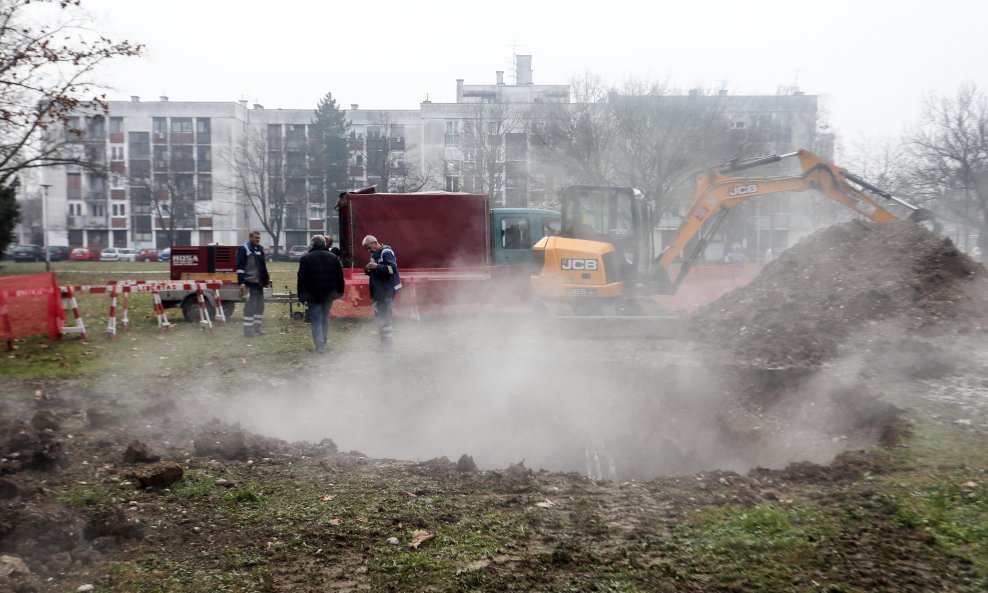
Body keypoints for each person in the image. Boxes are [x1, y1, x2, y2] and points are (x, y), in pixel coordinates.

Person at [297, 235, 345, 353]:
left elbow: (301, 278)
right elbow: (340, 277)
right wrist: (340, 291)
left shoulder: (305, 258)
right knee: (325, 317)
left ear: (312, 244)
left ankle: (319, 345)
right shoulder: (333, 258)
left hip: (313, 295)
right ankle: (324, 340)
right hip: (329, 294)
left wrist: (301, 295)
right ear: (324, 244)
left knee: (316, 319)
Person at [362, 235, 401, 348]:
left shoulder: (386, 252)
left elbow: (392, 269)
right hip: (379, 290)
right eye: (367, 249)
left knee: (385, 316)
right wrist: (368, 269)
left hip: (386, 290)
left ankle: (387, 344)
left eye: (370, 248)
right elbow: (376, 269)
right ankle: (384, 342)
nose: (369, 251)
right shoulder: (375, 253)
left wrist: (376, 266)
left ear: (375, 242)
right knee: (380, 315)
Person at [236, 230, 271, 337]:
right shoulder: (244, 249)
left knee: (260, 307)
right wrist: (241, 282)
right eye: (256, 238)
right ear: (250, 237)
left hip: (259, 284)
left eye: (259, 238)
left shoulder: (260, 249)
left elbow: (263, 267)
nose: (258, 239)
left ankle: (257, 328)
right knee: (250, 307)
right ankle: (248, 330)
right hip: (249, 283)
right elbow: (240, 267)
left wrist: (266, 280)